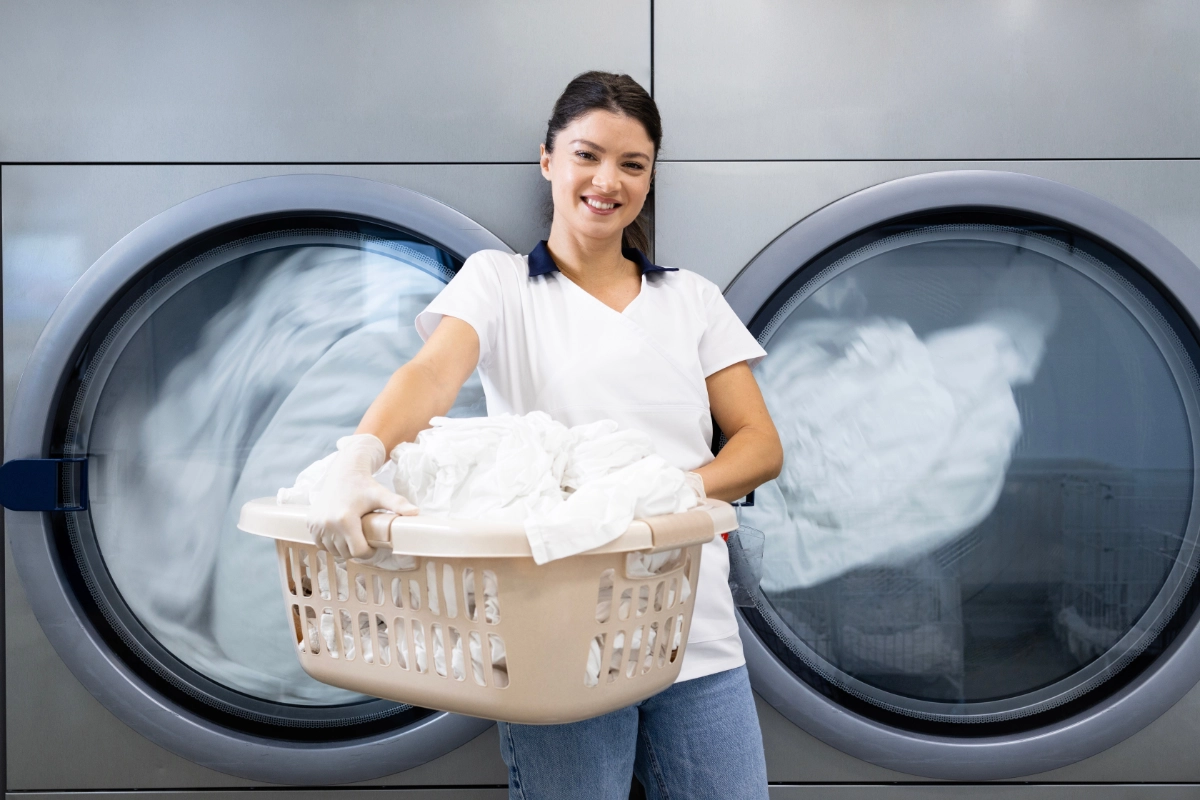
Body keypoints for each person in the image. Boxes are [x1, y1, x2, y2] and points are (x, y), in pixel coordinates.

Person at [309, 71, 783, 800]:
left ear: (650, 179)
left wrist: (669, 492)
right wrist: (359, 456)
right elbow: (432, 374)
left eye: (633, 164)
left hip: (694, 628)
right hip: (554, 636)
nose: (607, 181)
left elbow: (757, 444)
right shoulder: (498, 283)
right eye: (587, 155)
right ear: (547, 160)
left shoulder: (691, 299)